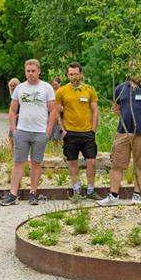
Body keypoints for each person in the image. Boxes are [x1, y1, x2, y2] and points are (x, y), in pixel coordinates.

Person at [0, 59, 57, 206]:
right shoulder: (20, 88)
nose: (30, 73)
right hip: (22, 131)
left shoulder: (47, 88)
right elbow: (12, 110)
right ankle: (13, 194)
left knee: (36, 163)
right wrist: (14, 130)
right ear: (25, 71)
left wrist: (48, 131)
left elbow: (53, 111)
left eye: (33, 71)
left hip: (40, 132)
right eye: (28, 71)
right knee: (18, 162)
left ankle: (33, 193)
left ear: (39, 71)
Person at [97, 66, 141, 206]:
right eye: (132, 68)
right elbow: (116, 108)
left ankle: (137, 195)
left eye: (138, 68)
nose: (135, 71)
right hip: (123, 132)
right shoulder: (121, 88)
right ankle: (113, 195)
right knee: (116, 164)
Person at [55, 61, 99, 199]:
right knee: (72, 162)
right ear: (67, 75)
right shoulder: (61, 91)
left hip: (87, 133)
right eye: (70, 74)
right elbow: (56, 112)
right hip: (70, 132)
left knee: (91, 161)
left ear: (81, 74)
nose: (73, 76)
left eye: (76, 74)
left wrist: (93, 130)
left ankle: (91, 190)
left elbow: (95, 111)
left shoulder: (89, 89)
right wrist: (62, 130)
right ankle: (77, 190)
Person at [48, 77, 63, 154]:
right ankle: (55, 152)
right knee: (54, 136)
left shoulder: (62, 91)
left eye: (55, 84)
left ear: (59, 84)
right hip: (52, 115)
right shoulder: (50, 92)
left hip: (62, 115)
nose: (54, 86)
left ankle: (63, 152)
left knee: (61, 134)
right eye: (52, 84)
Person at [7, 77, 21, 153]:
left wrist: (17, 116)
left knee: (15, 138)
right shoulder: (12, 96)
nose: (12, 87)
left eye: (14, 85)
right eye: (11, 86)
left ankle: (17, 154)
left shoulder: (21, 96)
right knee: (11, 137)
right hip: (14, 121)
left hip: (20, 120)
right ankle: (13, 154)